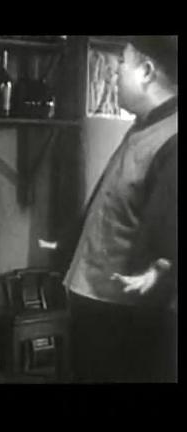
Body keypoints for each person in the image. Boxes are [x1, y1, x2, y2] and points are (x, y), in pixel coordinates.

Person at [64, 36, 177, 383]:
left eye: (121, 65)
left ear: (146, 72)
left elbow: (167, 231)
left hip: (126, 314)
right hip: (98, 302)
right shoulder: (145, 125)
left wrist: (159, 270)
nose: (113, 74)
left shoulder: (172, 137)